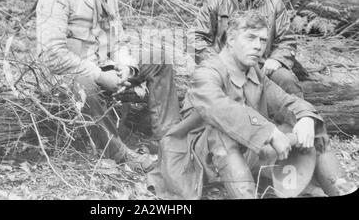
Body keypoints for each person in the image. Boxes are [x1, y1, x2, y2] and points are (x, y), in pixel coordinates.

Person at [148, 11, 355, 199]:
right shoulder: (207, 72)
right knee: (222, 133)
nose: (258, 46)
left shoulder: (254, 72)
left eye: (263, 40)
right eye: (250, 38)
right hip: (200, 159)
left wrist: (306, 117)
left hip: (246, 151)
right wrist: (270, 132)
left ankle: (341, 188)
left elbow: (285, 101)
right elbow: (220, 110)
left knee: (311, 128)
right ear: (230, 39)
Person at [36, 0, 180, 171]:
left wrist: (125, 66)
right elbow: (51, 54)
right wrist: (99, 75)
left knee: (159, 59)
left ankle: (171, 142)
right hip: (69, 74)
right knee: (85, 84)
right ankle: (120, 154)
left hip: (104, 65)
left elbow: (119, 40)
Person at [190, 0, 302, 97]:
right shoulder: (215, 1)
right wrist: (217, 62)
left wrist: (276, 60)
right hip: (225, 67)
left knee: (287, 80)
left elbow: (287, 40)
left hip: (263, 66)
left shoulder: (274, 3)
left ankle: (300, 119)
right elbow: (195, 38)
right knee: (205, 89)